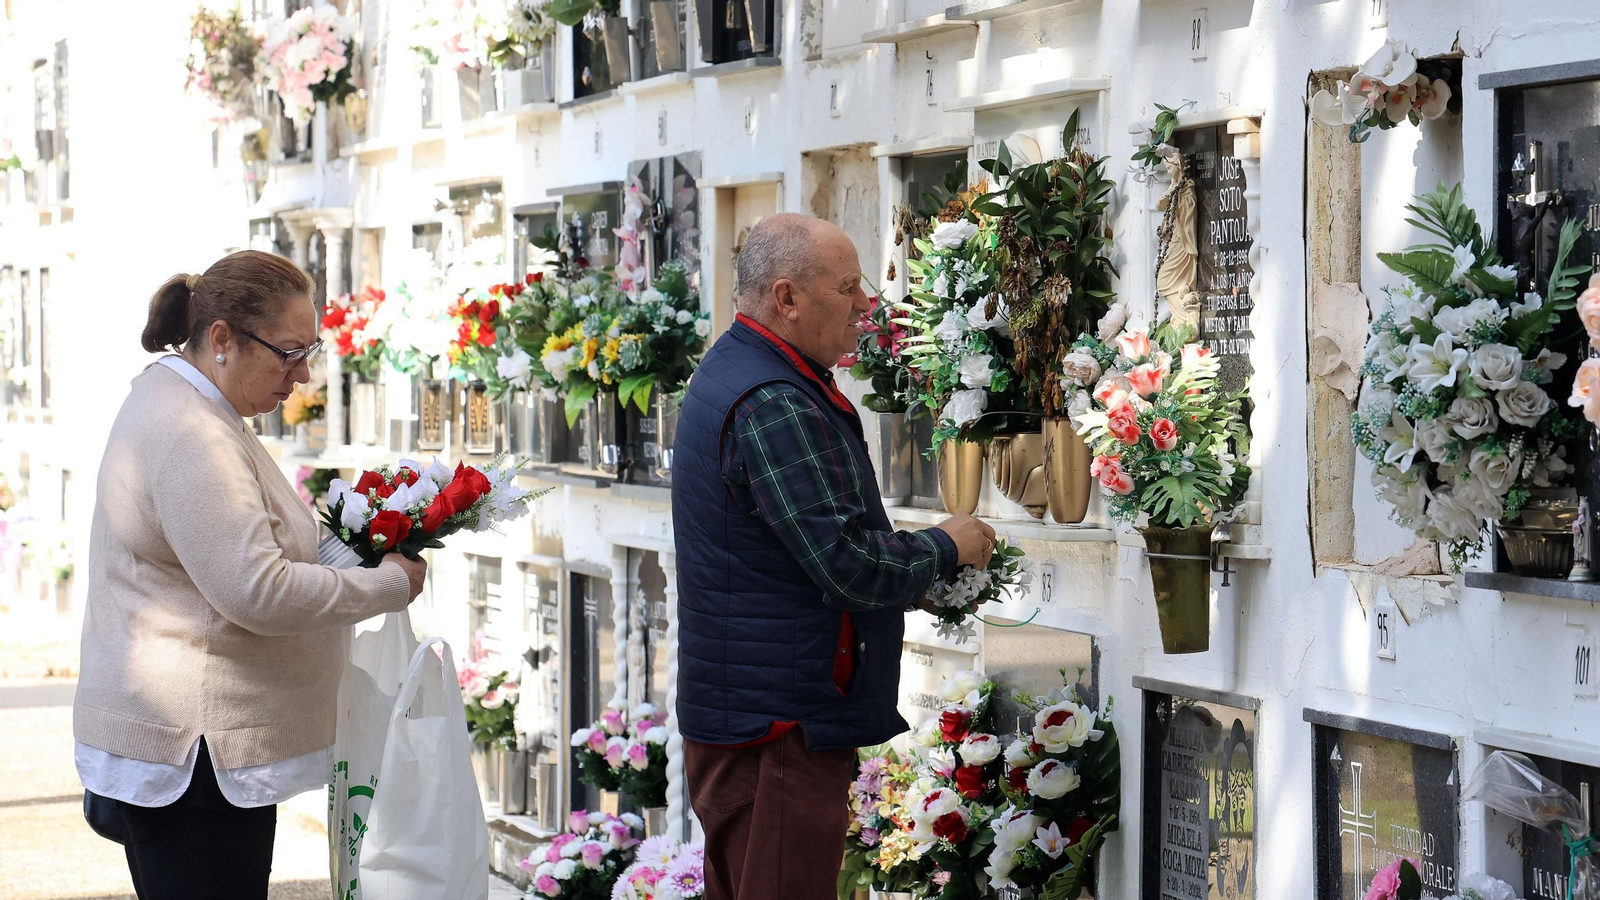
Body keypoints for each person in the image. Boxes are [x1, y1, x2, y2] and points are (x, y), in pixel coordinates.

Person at [73, 250, 427, 899]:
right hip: (194, 764)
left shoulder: (194, 405)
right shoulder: (191, 433)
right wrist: (389, 584)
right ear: (221, 341)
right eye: (289, 353)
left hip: (192, 756)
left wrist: (358, 547)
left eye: (310, 350)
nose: (303, 374)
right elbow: (256, 591)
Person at [672, 213, 997, 899]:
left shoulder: (742, 367)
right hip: (779, 726)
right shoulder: (772, 401)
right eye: (847, 287)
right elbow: (844, 563)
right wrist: (947, 547)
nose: (865, 306)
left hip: (757, 709)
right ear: (787, 298)